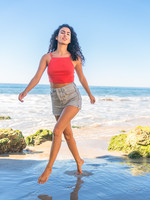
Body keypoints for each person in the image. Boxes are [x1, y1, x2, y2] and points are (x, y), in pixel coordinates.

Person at [18, 24, 95, 184]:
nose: (65, 35)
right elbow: (37, 77)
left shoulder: (74, 58)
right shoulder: (47, 57)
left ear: (70, 39)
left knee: (57, 130)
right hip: (55, 98)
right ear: (56, 36)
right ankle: (79, 161)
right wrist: (26, 91)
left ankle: (49, 168)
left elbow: (81, 78)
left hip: (72, 96)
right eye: (62, 32)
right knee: (68, 134)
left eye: (68, 33)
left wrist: (89, 94)